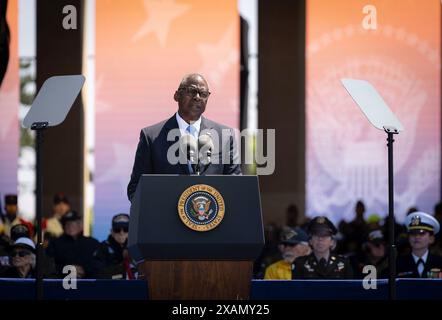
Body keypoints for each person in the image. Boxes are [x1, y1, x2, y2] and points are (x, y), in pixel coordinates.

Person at [127, 73, 241, 201]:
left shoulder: (224, 136)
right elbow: (136, 189)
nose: (197, 97)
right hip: (166, 218)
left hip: (210, 216)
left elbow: (235, 185)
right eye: (192, 91)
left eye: (203, 93)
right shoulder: (151, 137)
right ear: (177, 96)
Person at [46, 210, 100, 278]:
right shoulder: (54, 244)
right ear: (64, 226)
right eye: (68, 223)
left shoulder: (93, 243)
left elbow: (99, 265)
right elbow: (49, 267)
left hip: (88, 284)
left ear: (81, 225)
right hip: (61, 284)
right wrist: (68, 269)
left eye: (75, 223)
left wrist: (84, 269)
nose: (71, 226)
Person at [397, 211, 442, 278]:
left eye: (422, 233)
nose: (417, 237)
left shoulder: (440, 263)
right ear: (408, 238)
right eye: (413, 233)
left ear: (431, 238)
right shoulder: (397, 265)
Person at [93, 213, 137, 279]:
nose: (121, 233)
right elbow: (97, 273)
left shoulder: (136, 248)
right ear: (112, 231)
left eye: (125, 229)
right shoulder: (102, 248)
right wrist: (123, 266)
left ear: (131, 231)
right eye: (117, 230)